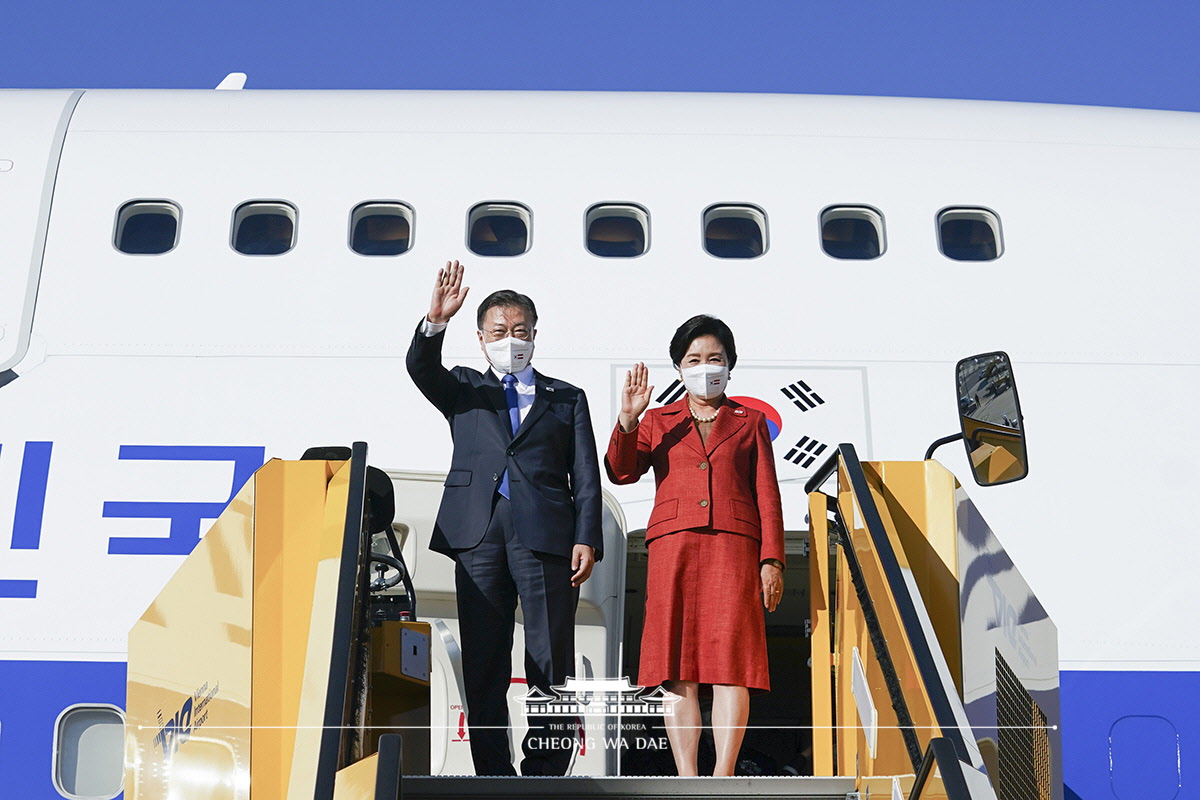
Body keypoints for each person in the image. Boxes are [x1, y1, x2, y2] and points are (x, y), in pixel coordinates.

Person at [406, 260, 604, 776]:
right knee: (484, 658)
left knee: (550, 655)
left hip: (547, 537)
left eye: (519, 331)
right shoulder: (464, 389)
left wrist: (587, 538)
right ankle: (493, 770)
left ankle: (545, 770)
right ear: (480, 337)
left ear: (535, 335)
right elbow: (421, 368)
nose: (510, 340)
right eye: (499, 332)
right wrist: (435, 321)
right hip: (478, 537)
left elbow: (585, 475)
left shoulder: (567, 397)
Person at [604, 314, 785, 777]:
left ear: (730, 365)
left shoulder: (751, 421)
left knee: (732, 664)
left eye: (715, 359)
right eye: (694, 359)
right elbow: (622, 472)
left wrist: (772, 560)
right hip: (674, 548)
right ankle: (686, 774)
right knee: (676, 665)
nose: (706, 367)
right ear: (679, 368)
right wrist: (628, 419)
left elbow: (768, 494)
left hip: (734, 548)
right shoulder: (659, 420)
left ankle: (723, 772)